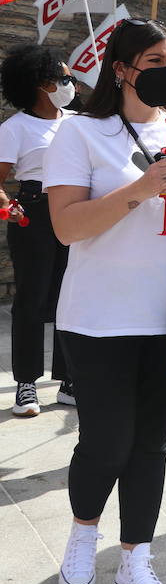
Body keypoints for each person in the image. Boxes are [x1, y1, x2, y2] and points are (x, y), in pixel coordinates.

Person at [45, 17, 166, 584]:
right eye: (153, 62)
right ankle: (81, 540)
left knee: (150, 445)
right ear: (121, 70)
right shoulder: (80, 134)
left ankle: (135, 560)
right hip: (96, 318)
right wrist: (142, 188)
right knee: (106, 441)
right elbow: (68, 227)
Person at [0, 45, 75, 414]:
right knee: (30, 300)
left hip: (75, 210)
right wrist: (7, 207)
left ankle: (68, 380)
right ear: (40, 84)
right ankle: (26, 384)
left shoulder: (78, 121)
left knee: (71, 296)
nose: (69, 83)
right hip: (34, 212)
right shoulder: (15, 128)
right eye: (62, 78)